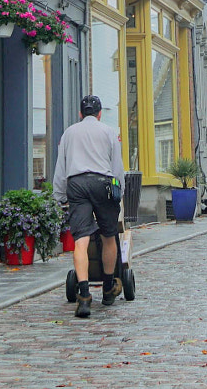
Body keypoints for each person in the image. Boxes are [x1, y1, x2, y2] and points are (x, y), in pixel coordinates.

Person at [53, 94, 124, 319]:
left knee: (81, 240)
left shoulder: (69, 133)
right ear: (100, 113)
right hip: (102, 182)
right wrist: (118, 190)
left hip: (77, 184)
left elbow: (61, 167)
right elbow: (116, 167)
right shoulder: (108, 132)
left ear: (81, 114)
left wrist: (60, 195)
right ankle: (108, 287)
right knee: (109, 236)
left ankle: (84, 296)